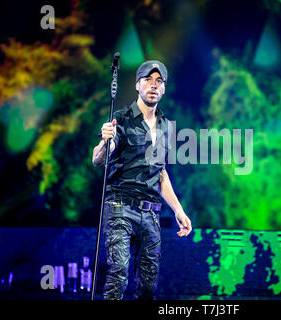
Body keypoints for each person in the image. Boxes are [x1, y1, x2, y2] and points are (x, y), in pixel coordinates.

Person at [92, 60, 192, 300]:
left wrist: (179, 210)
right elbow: (98, 159)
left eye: (159, 81)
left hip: (150, 214)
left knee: (148, 282)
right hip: (120, 207)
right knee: (118, 273)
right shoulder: (121, 118)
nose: (153, 85)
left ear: (164, 89)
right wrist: (106, 143)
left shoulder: (167, 126)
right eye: (148, 80)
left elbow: (161, 173)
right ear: (138, 85)